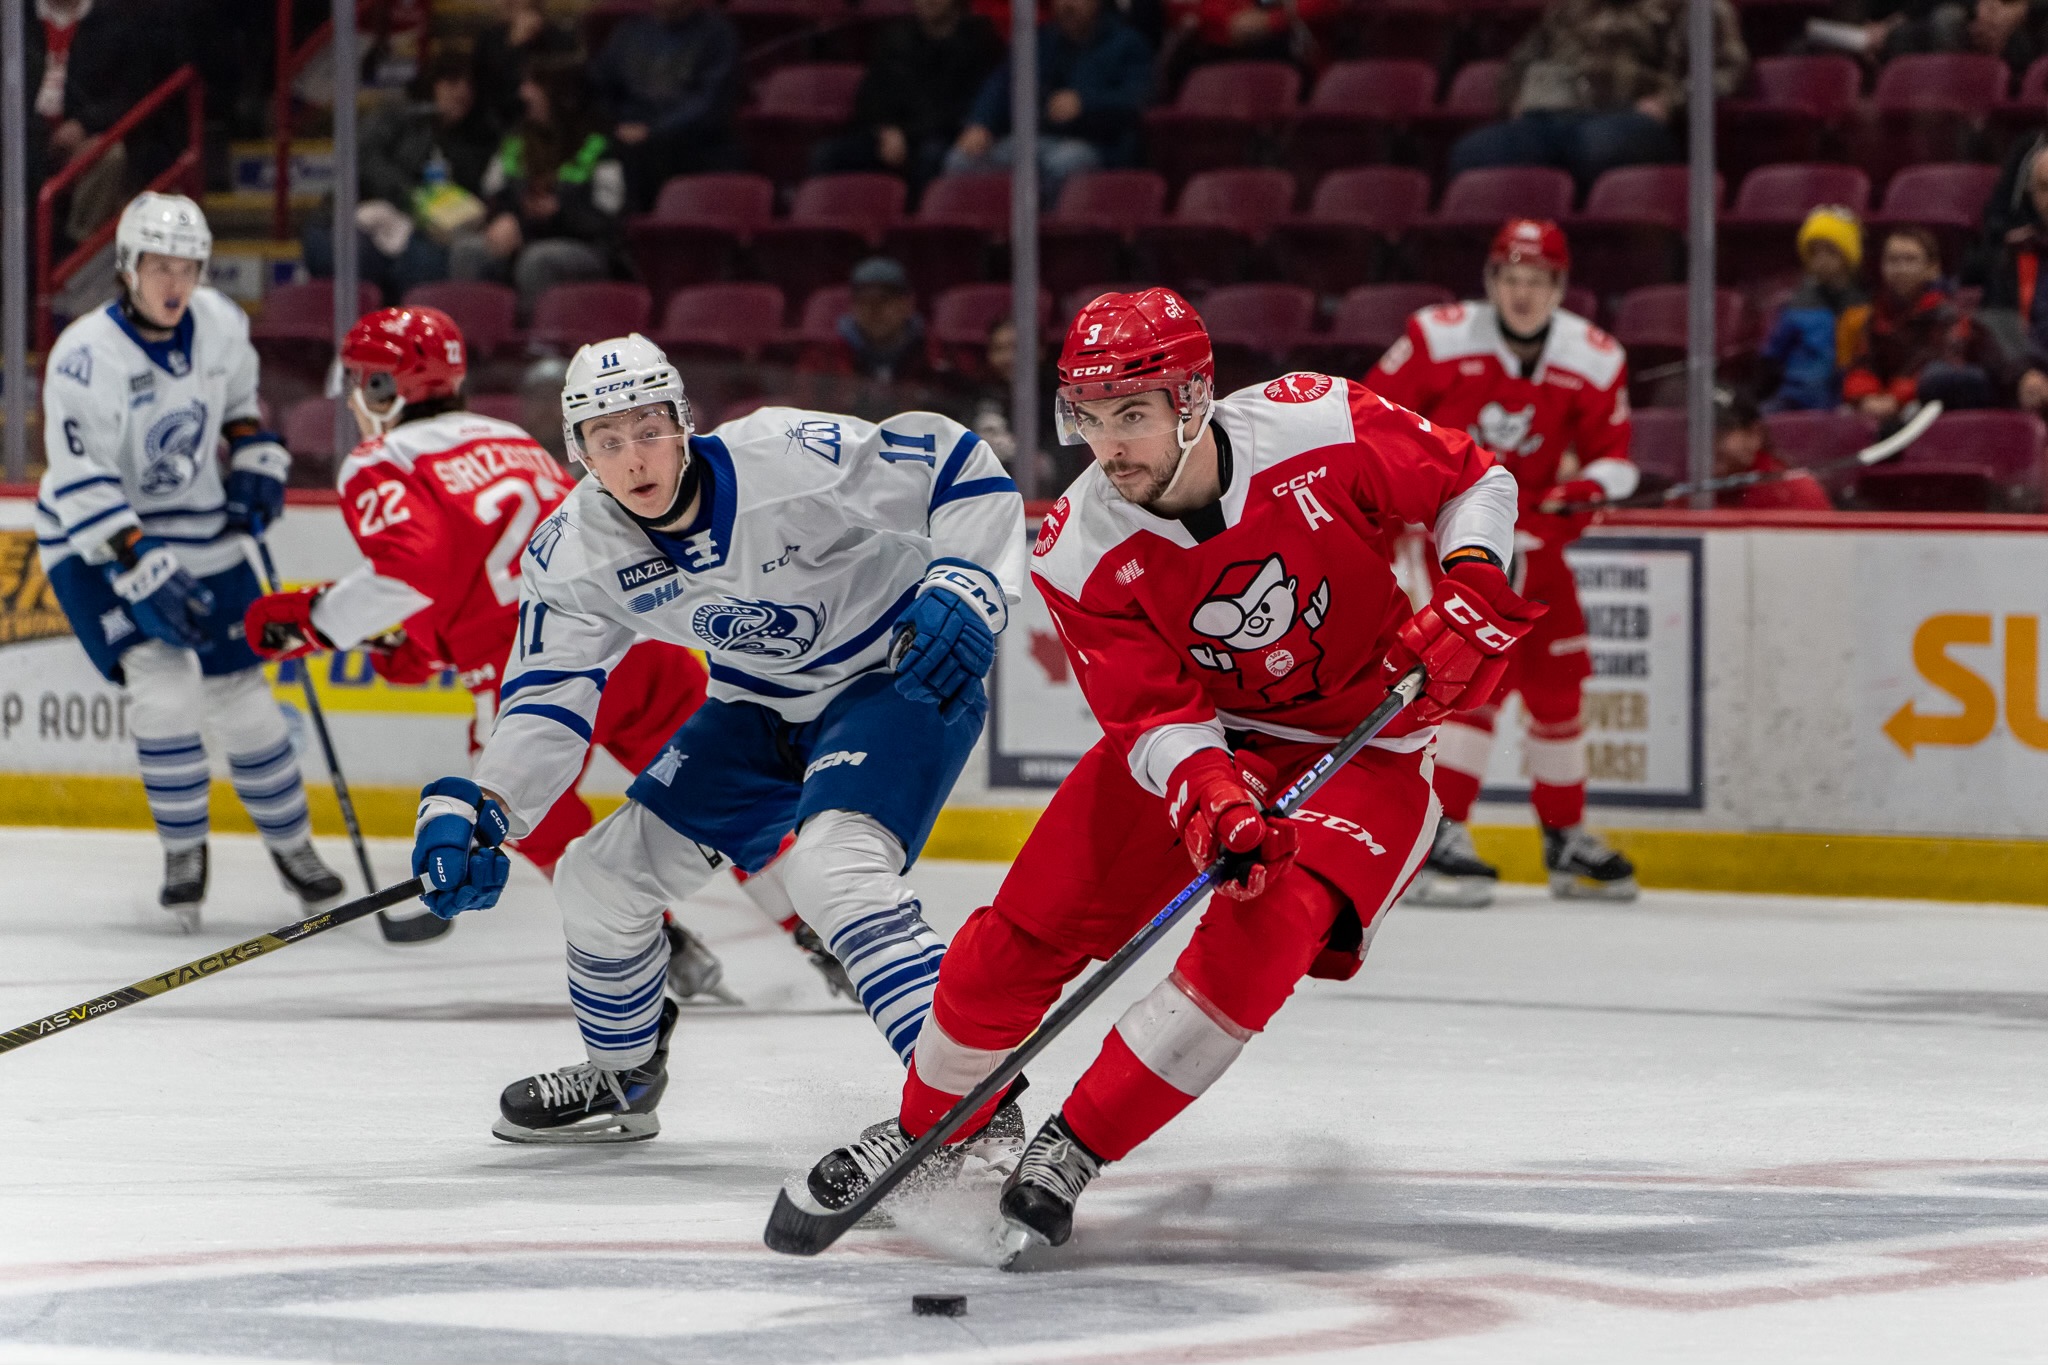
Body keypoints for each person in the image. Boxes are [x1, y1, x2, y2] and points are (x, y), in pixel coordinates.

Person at [793, 287, 1533, 1251]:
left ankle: (1076, 1144)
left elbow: (1476, 480)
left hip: (1368, 749)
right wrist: (1214, 792)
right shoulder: (1077, 544)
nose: (1110, 446)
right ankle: (935, 1123)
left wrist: (1473, 573)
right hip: (1205, 742)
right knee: (1015, 940)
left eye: (1131, 416)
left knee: (1264, 935)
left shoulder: (1317, 422)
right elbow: (1150, 713)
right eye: (1089, 419)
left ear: (1194, 400)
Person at [396, 334, 1026, 1144]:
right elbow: (548, 698)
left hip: (895, 673)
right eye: (608, 439)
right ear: (579, 451)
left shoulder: (784, 451)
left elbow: (954, 462)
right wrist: (489, 805)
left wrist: (967, 579)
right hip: (757, 702)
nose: (635, 457)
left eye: (650, 427)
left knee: (832, 871)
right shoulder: (572, 550)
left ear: (684, 421)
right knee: (596, 877)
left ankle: (972, 1100)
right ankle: (623, 1075)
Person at [35, 193, 344, 930]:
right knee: (165, 690)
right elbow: (82, 483)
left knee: (246, 697)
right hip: (94, 536)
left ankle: (295, 849)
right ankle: (184, 854)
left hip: (197, 524)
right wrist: (140, 561)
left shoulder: (220, 324)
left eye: (187, 267)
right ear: (128, 269)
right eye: (159, 267)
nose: (174, 283)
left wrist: (258, 461)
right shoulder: (84, 358)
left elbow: (240, 405)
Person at [1369, 218, 1641, 907]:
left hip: (1539, 549)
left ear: (1559, 287)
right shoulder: (1437, 337)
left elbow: (1617, 461)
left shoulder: (1595, 356)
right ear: (1492, 283)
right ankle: (1439, 832)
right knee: (1469, 683)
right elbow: (1370, 423)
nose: (1523, 293)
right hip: (1456, 542)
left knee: (1558, 686)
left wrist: (1586, 489)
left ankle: (1565, 836)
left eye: (1537, 281)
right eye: (1510, 279)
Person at [1449, 0, 1747, 194]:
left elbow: (1725, 69)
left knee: (1597, 147)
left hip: (1628, 117)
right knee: (1476, 152)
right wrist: (1516, 97)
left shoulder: (1693, 6)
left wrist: (1669, 103)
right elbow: (1520, 62)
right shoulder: (1568, 7)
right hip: (1549, 116)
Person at [303, 52, 500, 306]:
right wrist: (407, 195)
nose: (462, 92)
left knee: (426, 261)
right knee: (337, 248)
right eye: (452, 82)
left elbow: (472, 193)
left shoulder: (478, 138)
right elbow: (364, 159)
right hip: (362, 212)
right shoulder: (396, 114)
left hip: (427, 231)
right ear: (433, 84)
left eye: (469, 86)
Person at [455, 61, 629, 319]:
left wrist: (555, 214)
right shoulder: (515, 140)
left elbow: (607, 216)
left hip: (583, 244)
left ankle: (534, 348)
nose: (523, 93)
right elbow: (493, 195)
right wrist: (507, 218)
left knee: (537, 260)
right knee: (467, 249)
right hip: (524, 236)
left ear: (561, 94)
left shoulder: (599, 146)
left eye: (534, 85)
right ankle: (475, 341)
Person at [945, 0, 1153, 200]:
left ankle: (1047, 233)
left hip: (1096, 144)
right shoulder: (1040, 40)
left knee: (1065, 162)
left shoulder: (1128, 44)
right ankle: (993, 234)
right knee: (961, 160)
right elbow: (1001, 84)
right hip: (1033, 139)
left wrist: (1085, 103)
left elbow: (1137, 100)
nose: (1067, 4)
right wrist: (981, 122)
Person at [813, 0, 1003, 191]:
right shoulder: (896, 37)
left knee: (931, 155)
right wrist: (886, 129)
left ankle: (921, 218)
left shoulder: (979, 41)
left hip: (943, 135)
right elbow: (870, 94)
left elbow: (967, 106)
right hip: (893, 134)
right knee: (827, 154)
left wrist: (909, 134)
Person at [1843, 226, 2008, 421]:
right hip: (1880, 403)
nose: (1900, 268)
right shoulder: (1873, 317)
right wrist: (1866, 398)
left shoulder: (1949, 316)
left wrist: (1895, 398)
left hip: (1929, 407)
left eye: (1910, 260)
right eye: (1892, 260)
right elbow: (1862, 365)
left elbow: (1945, 367)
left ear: (1932, 269)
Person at [590, 0, 742, 212]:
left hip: (691, 144)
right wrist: (615, 124)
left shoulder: (717, 35)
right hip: (627, 136)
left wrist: (653, 130)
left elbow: (710, 103)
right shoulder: (630, 32)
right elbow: (601, 87)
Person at [1761, 206, 1869, 414]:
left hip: (1847, 402)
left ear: (1847, 255)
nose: (1821, 259)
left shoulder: (1864, 307)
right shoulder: (1796, 306)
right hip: (1794, 399)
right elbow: (1772, 357)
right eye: (1814, 252)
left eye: (1830, 251)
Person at [802, 257, 932, 383]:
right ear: (852, 306)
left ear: (907, 304)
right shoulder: (827, 357)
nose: (873, 310)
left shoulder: (932, 354)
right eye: (864, 301)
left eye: (883, 300)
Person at [1711, 388, 1833, 511]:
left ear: (1754, 434)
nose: (1708, 445)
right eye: (1697, 433)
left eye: (1719, 433)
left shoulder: (1794, 492)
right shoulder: (1695, 490)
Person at [471, 0, 577, 130]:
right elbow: (484, 91)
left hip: (555, 129)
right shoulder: (489, 39)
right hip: (501, 128)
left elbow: (568, 90)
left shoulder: (560, 37)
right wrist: (514, 44)